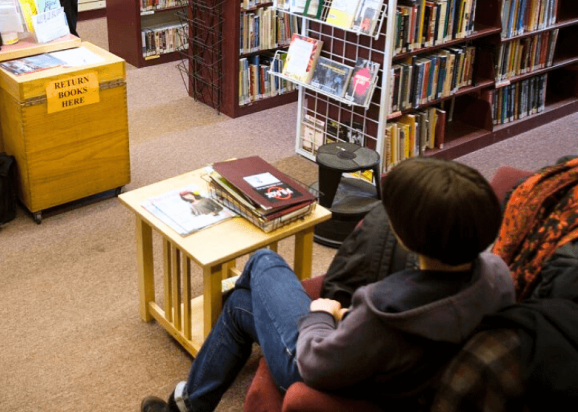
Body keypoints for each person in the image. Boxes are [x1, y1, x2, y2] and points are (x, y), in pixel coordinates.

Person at [141, 157, 516, 412]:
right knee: (241, 306)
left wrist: (320, 316)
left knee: (262, 262)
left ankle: (188, 402)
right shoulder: (498, 274)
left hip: (319, 370)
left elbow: (316, 365)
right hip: (385, 367)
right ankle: (188, 404)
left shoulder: (384, 311)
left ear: (406, 236)